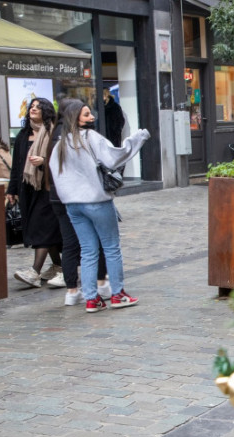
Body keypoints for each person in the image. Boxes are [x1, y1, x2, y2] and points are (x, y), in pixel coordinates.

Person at [49, 99, 150, 313]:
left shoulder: (60, 144)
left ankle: (91, 299)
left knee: (87, 250)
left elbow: (55, 174)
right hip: (96, 201)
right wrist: (139, 137)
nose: (91, 117)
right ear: (75, 117)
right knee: (111, 247)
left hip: (73, 205)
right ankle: (117, 294)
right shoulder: (90, 137)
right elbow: (115, 156)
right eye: (86, 114)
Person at [46, 100, 111, 303]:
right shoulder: (76, 137)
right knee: (95, 242)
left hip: (59, 196)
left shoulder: (54, 136)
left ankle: (72, 291)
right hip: (81, 196)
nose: (90, 117)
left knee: (70, 244)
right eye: (85, 113)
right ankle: (102, 284)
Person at [6, 98, 63, 288]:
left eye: (38, 107)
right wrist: (12, 190)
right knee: (45, 228)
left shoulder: (54, 133)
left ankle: (35, 272)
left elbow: (61, 159)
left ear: (46, 111)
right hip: (28, 188)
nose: (33, 109)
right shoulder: (23, 135)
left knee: (42, 225)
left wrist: (44, 161)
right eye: (31, 106)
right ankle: (58, 267)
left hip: (48, 187)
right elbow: (17, 166)